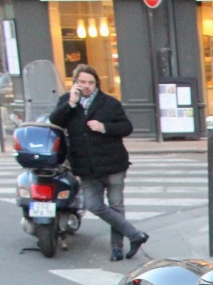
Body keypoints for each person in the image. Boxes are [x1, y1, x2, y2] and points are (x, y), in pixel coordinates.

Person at [49, 64, 148, 262]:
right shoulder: (67, 102)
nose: (86, 86)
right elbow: (55, 121)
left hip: (113, 163)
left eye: (90, 83)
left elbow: (126, 127)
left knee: (116, 206)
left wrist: (104, 127)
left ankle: (116, 248)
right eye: (82, 82)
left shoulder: (109, 103)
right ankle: (134, 234)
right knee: (94, 205)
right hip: (86, 167)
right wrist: (71, 103)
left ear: (96, 84)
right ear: (75, 83)